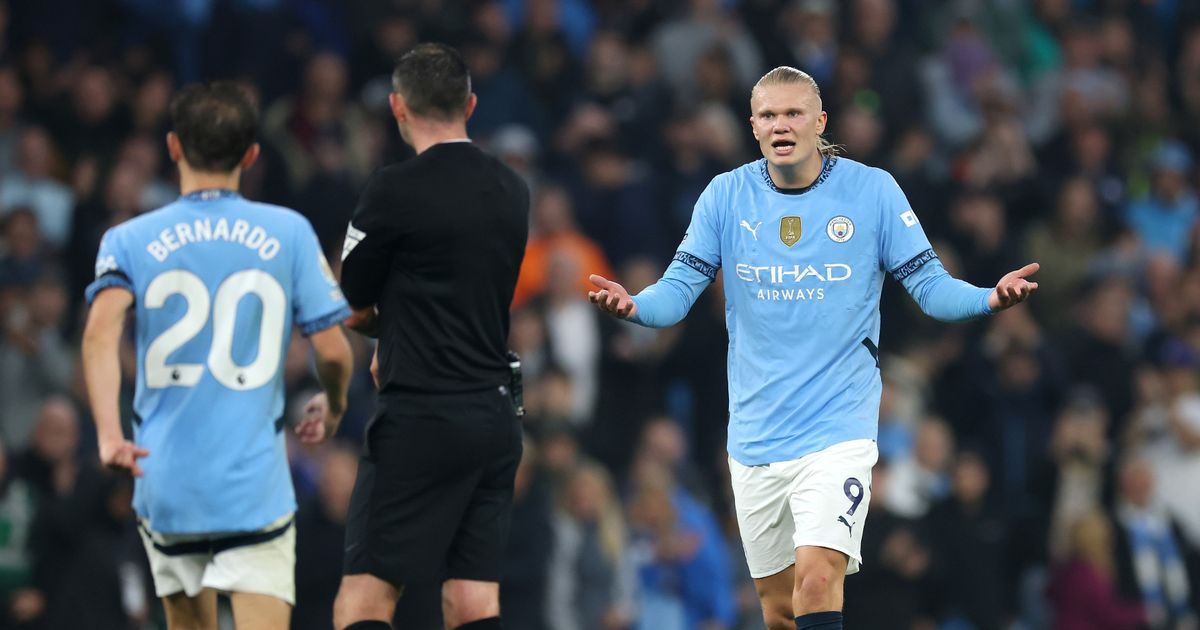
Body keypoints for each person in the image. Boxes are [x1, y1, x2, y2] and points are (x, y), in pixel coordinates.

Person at [588, 66, 1040, 630]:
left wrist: (989, 299)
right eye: (770, 115)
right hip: (755, 436)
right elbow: (678, 291)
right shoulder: (726, 196)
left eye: (794, 113)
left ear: (819, 122)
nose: (782, 124)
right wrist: (634, 307)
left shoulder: (872, 191)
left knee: (818, 578)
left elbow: (931, 289)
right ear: (753, 126)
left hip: (838, 430)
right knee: (780, 610)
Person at [80, 82, 354, 630]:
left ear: (174, 146)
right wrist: (336, 402)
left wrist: (110, 435)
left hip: (168, 482)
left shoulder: (127, 238)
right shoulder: (290, 232)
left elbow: (99, 335)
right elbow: (333, 349)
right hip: (253, 484)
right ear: (252, 155)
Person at [334, 43, 529, 630]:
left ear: (398, 108)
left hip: (421, 412)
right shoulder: (513, 189)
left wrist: (384, 327)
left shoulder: (390, 190)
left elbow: (354, 298)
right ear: (469, 105)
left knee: (364, 600)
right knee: (472, 601)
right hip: (495, 414)